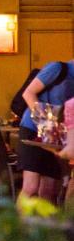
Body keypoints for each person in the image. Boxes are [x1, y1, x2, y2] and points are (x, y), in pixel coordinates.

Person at [17, 59, 74, 202]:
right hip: (33, 128)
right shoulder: (58, 68)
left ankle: (44, 218)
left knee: (49, 188)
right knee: (30, 187)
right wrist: (46, 125)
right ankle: (17, 218)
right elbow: (28, 93)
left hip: (57, 134)